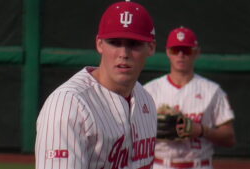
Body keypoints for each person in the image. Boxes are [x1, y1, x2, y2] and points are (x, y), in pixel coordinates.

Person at [35, 1, 158, 169]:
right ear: (100, 44)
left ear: (151, 48)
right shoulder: (68, 104)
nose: (123, 53)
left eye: (134, 44)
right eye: (115, 42)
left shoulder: (146, 99)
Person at [144, 26, 236, 169]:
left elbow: (229, 138)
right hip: (160, 164)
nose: (181, 55)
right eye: (176, 50)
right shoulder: (149, 90)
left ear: (197, 52)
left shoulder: (212, 91)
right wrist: (152, 129)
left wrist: (200, 130)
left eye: (186, 50)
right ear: (168, 52)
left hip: (199, 165)